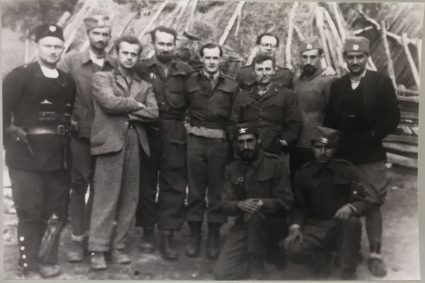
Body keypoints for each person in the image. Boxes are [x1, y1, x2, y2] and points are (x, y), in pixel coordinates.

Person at [324, 36, 400, 277]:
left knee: (373, 201)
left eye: (360, 57)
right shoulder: (338, 86)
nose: (355, 61)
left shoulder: (380, 82)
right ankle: (349, 250)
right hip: (344, 154)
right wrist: (332, 148)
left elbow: (393, 116)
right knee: (345, 201)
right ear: (344, 58)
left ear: (367, 57)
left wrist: (372, 134)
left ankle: (376, 253)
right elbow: (330, 121)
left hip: (370, 153)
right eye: (350, 57)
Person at [3, 23, 75, 278]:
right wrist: (10, 151)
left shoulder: (67, 81)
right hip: (26, 157)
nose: (53, 51)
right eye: (48, 45)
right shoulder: (18, 76)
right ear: (37, 46)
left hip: (58, 158)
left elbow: (68, 118)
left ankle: (47, 259)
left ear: (63, 48)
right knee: (30, 209)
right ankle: (28, 262)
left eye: (58, 46)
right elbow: (4, 116)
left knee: (55, 211)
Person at [88, 35, 158, 270]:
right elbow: (108, 103)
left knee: (130, 198)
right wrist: (136, 105)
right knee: (106, 197)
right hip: (109, 142)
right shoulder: (101, 77)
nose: (129, 57)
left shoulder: (145, 85)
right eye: (125, 52)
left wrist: (126, 108)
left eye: (133, 54)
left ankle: (118, 247)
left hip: (134, 141)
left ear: (138, 57)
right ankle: (98, 248)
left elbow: (153, 113)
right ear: (116, 54)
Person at [57, 14, 114, 262]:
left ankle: (97, 241)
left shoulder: (115, 64)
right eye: (96, 34)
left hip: (109, 137)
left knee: (102, 189)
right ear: (88, 35)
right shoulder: (70, 62)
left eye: (105, 34)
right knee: (78, 186)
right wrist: (66, 117)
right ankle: (77, 239)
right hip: (80, 135)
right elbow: (56, 92)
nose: (101, 39)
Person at [134, 26, 193, 260]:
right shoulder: (141, 68)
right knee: (146, 183)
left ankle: (168, 234)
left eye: (170, 44)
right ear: (153, 44)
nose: (166, 48)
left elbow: (193, 100)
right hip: (148, 129)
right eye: (161, 43)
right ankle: (148, 231)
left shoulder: (185, 70)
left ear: (175, 45)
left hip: (175, 130)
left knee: (174, 183)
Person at [282, 126, 371, 280]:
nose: (322, 152)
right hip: (315, 225)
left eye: (328, 148)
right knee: (290, 250)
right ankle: (321, 256)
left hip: (340, 224)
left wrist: (350, 207)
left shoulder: (347, 170)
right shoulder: (303, 173)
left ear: (335, 149)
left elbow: (363, 200)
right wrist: (295, 227)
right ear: (312, 148)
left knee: (353, 222)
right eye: (318, 147)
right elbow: (298, 206)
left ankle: (348, 270)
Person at [212, 124, 293, 280]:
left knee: (256, 214)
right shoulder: (232, 168)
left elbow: (287, 200)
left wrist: (262, 203)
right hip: (245, 224)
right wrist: (239, 205)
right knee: (221, 273)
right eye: (241, 142)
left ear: (259, 141)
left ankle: (258, 267)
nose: (245, 146)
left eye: (250, 141)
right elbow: (224, 203)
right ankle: (251, 261)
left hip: (273, 225)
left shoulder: (275, 164)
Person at [184, 43, 239, 260]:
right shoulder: (190, 82)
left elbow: (235, 118)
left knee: (216, 192)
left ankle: (214, 237)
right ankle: (195, 237)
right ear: (202, 58)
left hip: (219, 144)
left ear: (221, 59)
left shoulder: (232, 85)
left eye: (215, 58)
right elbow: (181, 110)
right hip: (195, 141)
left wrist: (231, 145)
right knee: (195, 191)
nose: (212, 61)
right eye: (207, 58)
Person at [290, 37, 337, 178]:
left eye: (313, 57)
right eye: (305, 57)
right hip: (296, 141)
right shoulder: (296, 80)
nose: (308, 61)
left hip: (316, 143)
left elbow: (333, 114)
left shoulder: (330, 80)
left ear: (320, 57)